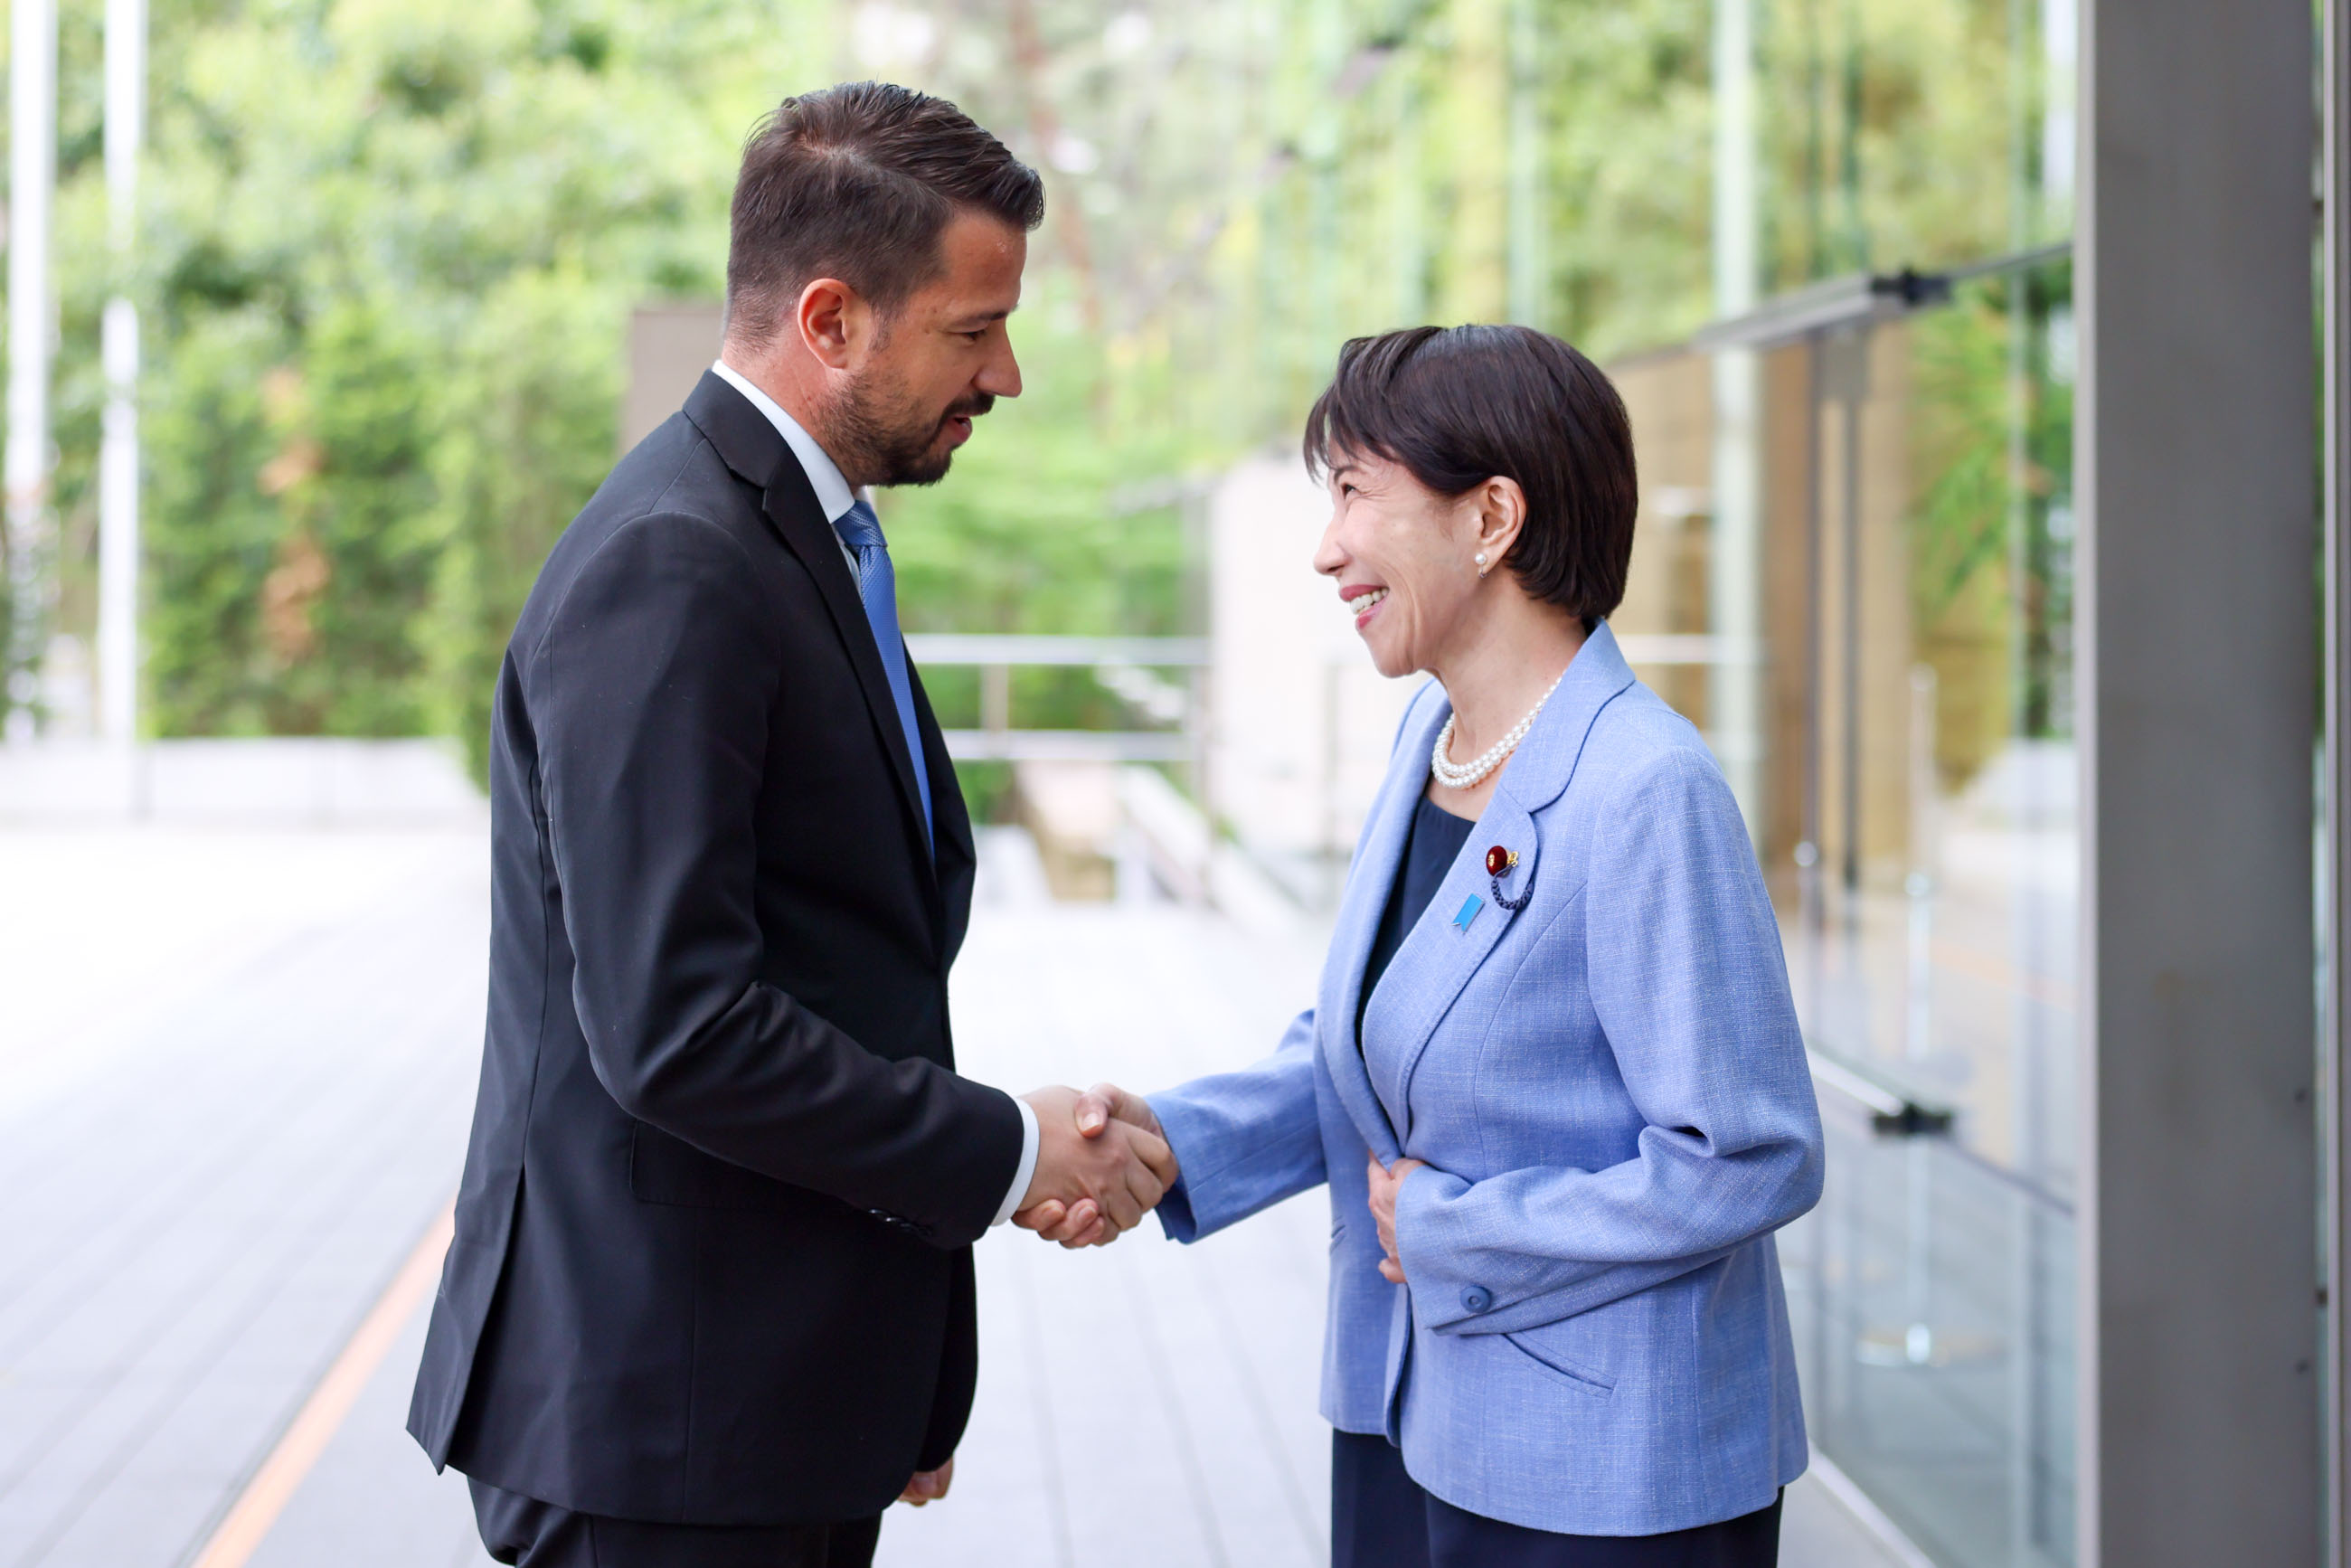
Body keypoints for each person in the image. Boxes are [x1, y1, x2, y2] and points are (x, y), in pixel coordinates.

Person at [406, 82, 1173, 1568]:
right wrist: (1013, 1151)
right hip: (668, 1431)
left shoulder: (799, 535)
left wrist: (880, 1382)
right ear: (830, 319)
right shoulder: (676, 563)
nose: (1006, 373)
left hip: (758, 1404)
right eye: (974, 328)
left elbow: (836, 964)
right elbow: (677, 1026)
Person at [1024, 325, 1827, 1567]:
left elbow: (1749, 1157)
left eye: (1354, 492)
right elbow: (1380, 1045)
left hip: (1607, 1481)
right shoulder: (1433, 745)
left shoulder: (1646, 789)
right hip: (1411, 1414)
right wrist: (1171, 1141)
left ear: (1491, 517)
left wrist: (1462, 1230)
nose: (1326, 546)